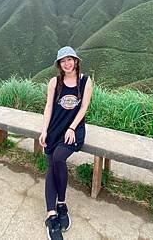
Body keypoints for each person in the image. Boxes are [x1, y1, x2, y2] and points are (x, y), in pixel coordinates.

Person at [39, 46, 93, 240]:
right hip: (54, 129)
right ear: (59, 64)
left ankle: (60, 204)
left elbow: (84, 107)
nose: (67, 64)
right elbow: (48, 107)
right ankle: (53, 213)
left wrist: (72, 128)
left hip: (73, 130)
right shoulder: (55, 82)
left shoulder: (85, 81)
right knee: (52, 165)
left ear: (76, 61)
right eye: (63, 61)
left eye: (70, 60)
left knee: (58, 158)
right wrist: (44, 130)